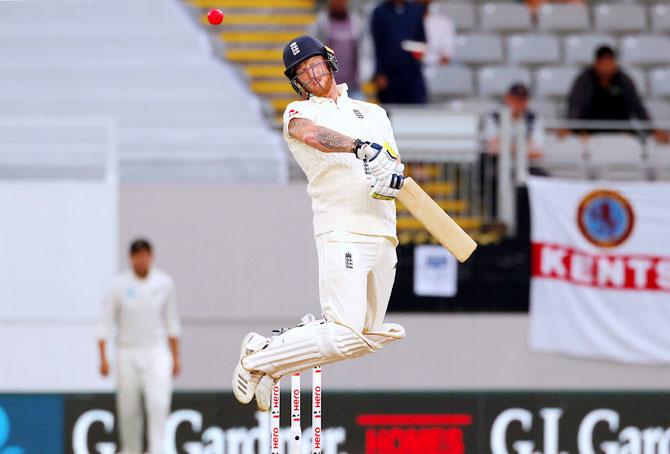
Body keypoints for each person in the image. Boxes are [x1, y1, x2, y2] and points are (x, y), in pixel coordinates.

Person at [232, 36, 406, 411]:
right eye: (302, 72)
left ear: (329, 61)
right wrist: (360, 148)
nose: (312, 75)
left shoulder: (373, 113)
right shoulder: (297, 114)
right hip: (342, 230)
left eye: (315, 64)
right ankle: (256, 361)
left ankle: (270, 358)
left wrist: (389, 176)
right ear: (296, 81)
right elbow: (312, 136)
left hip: (383, 232)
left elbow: (392, 162)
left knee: (367, 335)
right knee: (345, 330)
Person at [98, 239, 181, 454]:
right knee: (128, 409)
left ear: (151, 256)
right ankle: (130, 449)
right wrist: (103, 358)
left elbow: (171, 321)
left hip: (156, 351)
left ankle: (157, 449)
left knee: (158, 403)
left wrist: (176, 357)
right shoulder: (119, 285)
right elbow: (106, 322)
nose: (142, 260)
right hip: (127, 351)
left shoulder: (164, 283)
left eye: (145, 255)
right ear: (131, 258)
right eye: (137, 256)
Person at [567, 45, 668, 141]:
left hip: (620, 131)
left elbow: (637, 106)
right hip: (590, 131)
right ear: (597, 64)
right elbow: (576, 105)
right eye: (603, 63)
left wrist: (652, 130)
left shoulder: (623, 80)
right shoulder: (584, 80)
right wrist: (570, 127)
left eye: (609, 63)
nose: (606, 67)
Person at [371, 0, 427, 104]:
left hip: (412, 73)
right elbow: (376, 45)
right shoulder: (379, 12)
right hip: (389, 75)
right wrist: (380, 72)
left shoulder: (415, 11)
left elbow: (421, 39)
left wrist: (419, 51)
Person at [310, 0, 365, 98]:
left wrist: (364, 73)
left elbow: (364, 50)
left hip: (353, 87)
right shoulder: (321, 23)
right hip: (327, 88)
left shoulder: (356, 22)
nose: (338, 3)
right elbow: (313, 53)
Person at [483, 83, 545, 165]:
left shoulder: (534, 119)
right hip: (496, 166)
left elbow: (537, 152)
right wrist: (525, 144)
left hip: (527, 166)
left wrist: (504, 144)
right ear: (507, 98)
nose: (519, 103)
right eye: (516, 99)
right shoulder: (493, 117)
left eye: (523, 99)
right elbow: (492, 148)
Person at [419, 0, 456, 67]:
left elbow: (447, 56)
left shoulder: (444, 22)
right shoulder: (404, 22)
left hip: (437, 66)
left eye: (425, 3)